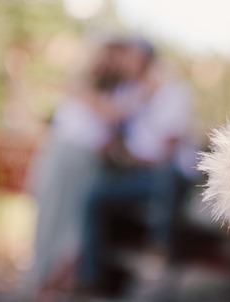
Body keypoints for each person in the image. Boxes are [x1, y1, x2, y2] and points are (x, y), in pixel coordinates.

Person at [77, 38, 193, 292]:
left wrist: (130, 157)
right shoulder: (127, 93)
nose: (123, 62)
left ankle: (160, 254)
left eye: (128, 57)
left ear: (144, 60)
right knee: (95, 196)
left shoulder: (174, 92)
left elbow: (167, 149)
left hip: (169, 174)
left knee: (165, 176)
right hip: (139, 174)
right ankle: (94, 279)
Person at [25, 38, 134, 301]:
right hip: (67, 157)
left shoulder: (120, 89)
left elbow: (111, 121)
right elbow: (105, 112)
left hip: (88, 163)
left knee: (75, 229)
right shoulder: (84, 83)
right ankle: (42, 285)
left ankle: (52, 285)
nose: (108, 64)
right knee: (52, 222)